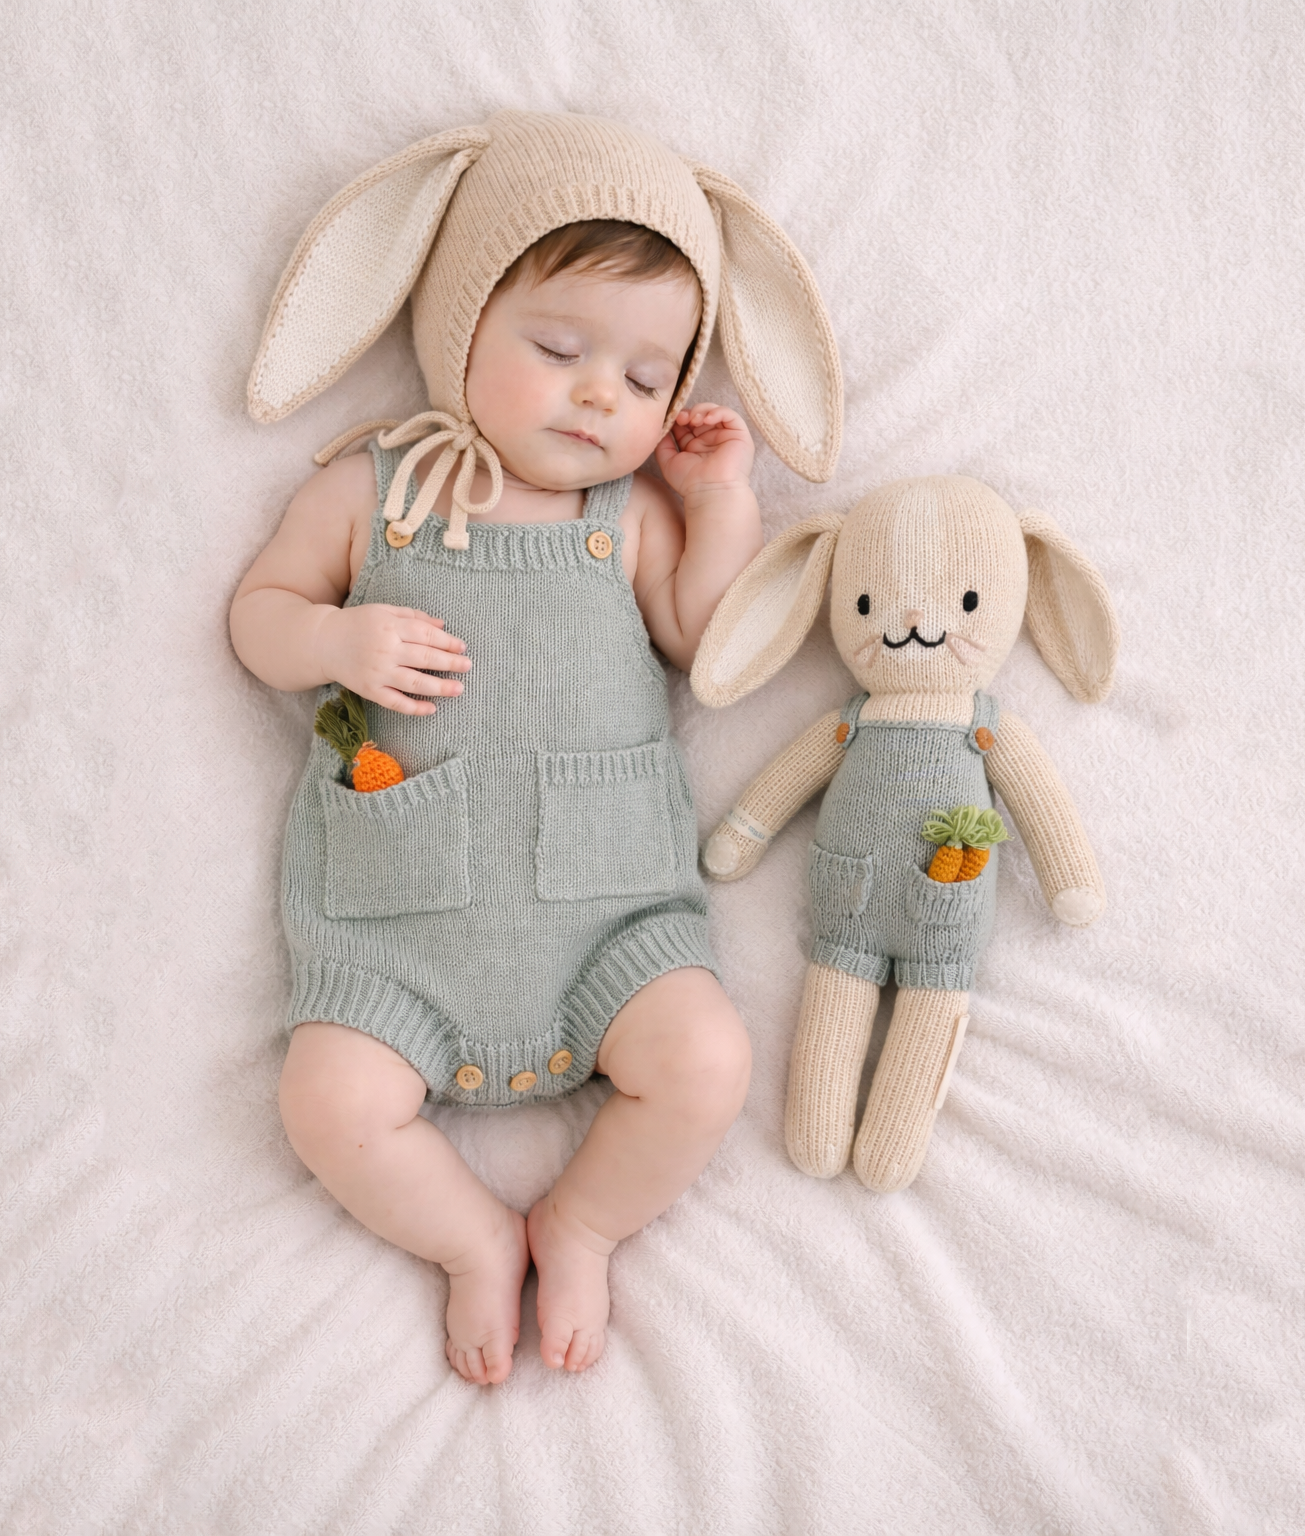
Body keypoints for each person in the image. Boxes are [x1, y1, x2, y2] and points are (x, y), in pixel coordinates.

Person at [230, 111, 841, 1384]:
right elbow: (259, 615)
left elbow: (704, 640)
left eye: (646, 379)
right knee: (325, 1103)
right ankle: (468, 1240)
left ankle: (582, 1224)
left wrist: (721, 504)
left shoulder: (626, 515)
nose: (599, 394)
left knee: (709, 1061)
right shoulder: (373, 491)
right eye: (559, 349)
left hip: (607, 931)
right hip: (399, 943)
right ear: (458, 323)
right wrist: (334, 641)